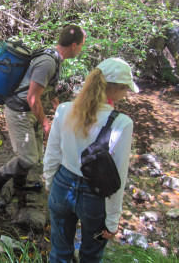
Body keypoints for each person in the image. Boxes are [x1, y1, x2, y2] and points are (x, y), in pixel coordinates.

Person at [43, 58, 139, 262]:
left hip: (62, 185)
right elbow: (117, 179)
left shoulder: (64, 109)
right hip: (95, 197)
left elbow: (52, 154)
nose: (126, 94)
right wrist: (113, 221)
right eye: (126, 89)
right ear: (115, 90)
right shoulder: (122, 123)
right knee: (91, 257)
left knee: (59, 254)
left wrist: (50, 184)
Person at [0, 25, 86, 208]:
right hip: (19, 111)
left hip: (29, 112)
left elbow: (45, 87)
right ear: (74, 45)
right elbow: (32, 97)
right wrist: (45, 124)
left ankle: (19, 186)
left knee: (36, 154)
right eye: (82, 45)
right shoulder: (48, 62)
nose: (81, 49)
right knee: (27, 157)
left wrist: (57, 105)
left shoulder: (54, 58)